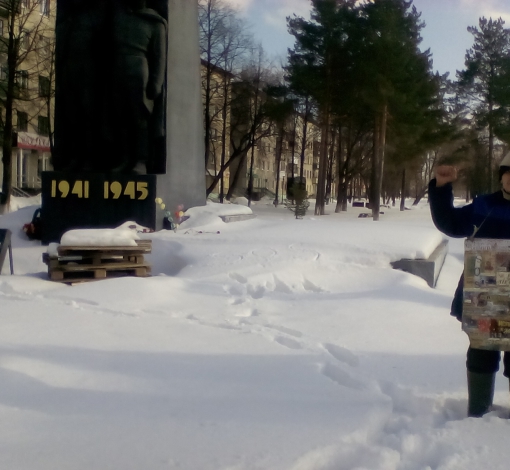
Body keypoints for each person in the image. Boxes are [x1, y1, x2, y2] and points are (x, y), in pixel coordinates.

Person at [429, 153, 510, 417]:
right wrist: (441, 188)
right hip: (484, 297)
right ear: (501, 177)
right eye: (508, 172)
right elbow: (450, 222)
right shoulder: (484, 206)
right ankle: (479, 411)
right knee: (482, 349)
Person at [110, 0, 167, 173]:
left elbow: (159, 56)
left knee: (139, 121)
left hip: (139, 73)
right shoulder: (120, 19)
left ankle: (141, 161)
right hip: (117, 70)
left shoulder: (155, 23)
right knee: (121, 120)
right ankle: (124, 158)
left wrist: (156, 83)